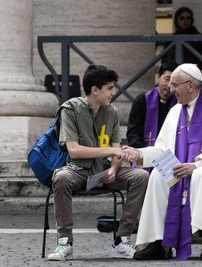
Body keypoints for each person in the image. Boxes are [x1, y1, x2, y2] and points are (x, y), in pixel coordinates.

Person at [122, 63, 202, 261]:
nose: (170, 89)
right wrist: (138, 154)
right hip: (183, 166)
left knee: (201, 174)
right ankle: (158, 242)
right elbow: (163, 150)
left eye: (175, 84)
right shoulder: (176, 111)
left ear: (190, 85)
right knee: (158, 175)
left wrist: (197, 164)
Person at [47, 65, 149, 261]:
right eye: (110, 88)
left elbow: (117, 150)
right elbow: (74, 150)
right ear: (95, 90)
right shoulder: (70, 109)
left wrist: (114, 167)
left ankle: (122, 239)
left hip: (103, 171)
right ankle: (65, 242)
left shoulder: (112, 112)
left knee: (141, 176)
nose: (113, 92)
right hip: (78, 170)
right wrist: (111, 151)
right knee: (61, 177)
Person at [126, 62, 178, 148]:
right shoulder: (142, 101)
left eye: (174, 82)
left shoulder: (180, 102)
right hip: (145, 152)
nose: (169, 85)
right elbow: (134, 134)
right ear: (158, 77)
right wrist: (145, 154)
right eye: (167, 79)